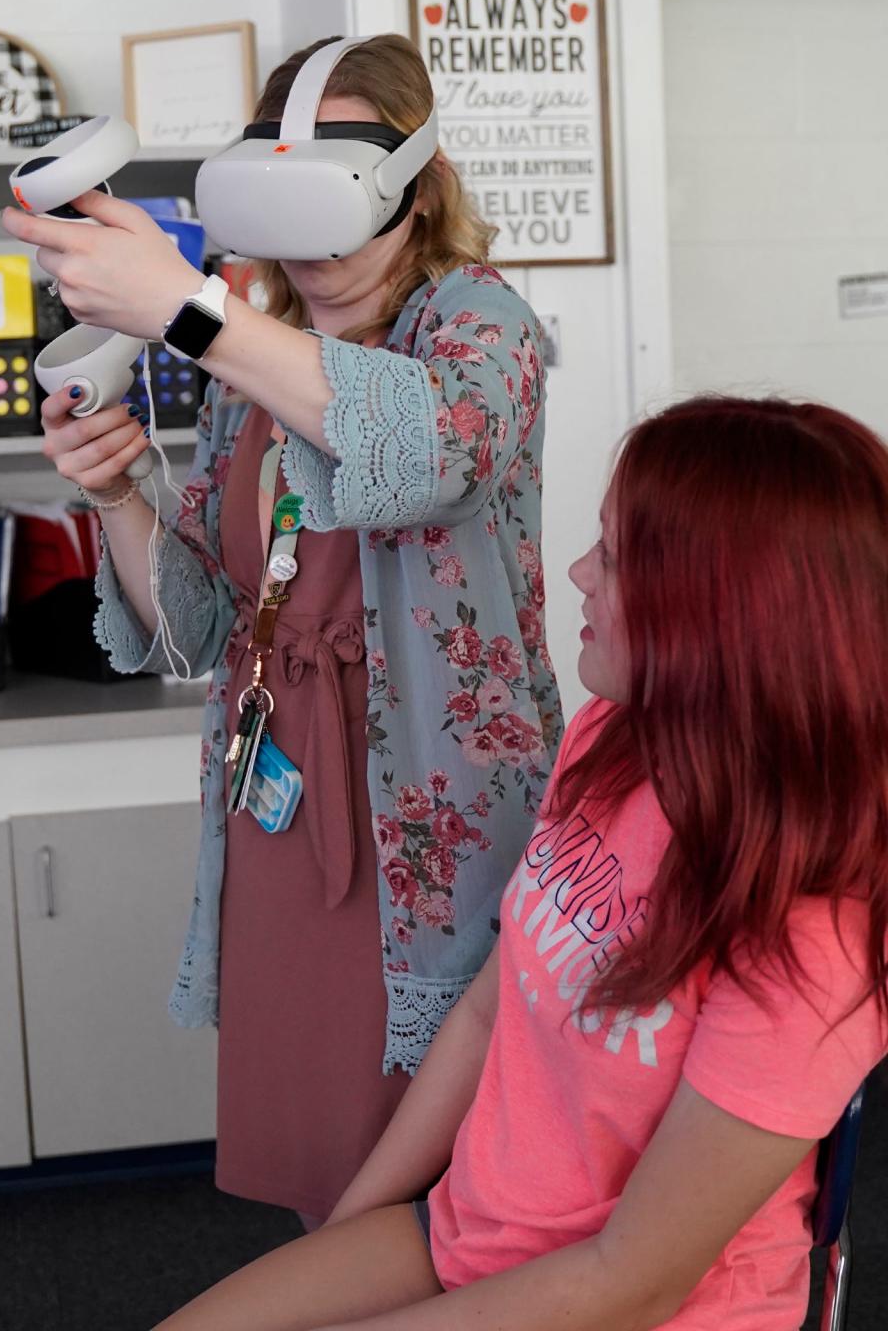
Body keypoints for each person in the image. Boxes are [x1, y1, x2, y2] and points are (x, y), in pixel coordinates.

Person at [149, 395, 888, 1331]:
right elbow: (487, 1010)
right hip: (470, 1241)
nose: (577, 573)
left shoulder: (813, 938)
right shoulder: (612, 741)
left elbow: (632, 1280)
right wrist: (348, 1228)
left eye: (614, 559)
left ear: (725, 617)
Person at [1, 33, 562, 1223]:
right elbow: (201, 623)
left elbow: (434, 451)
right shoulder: (241, 364)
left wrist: (194, 312)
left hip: (432, 828)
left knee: (452, 1191)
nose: (315, 248)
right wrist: (116, 494)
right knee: (329, 1182)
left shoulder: (477, 324)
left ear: (418, 185)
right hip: (282, 813)